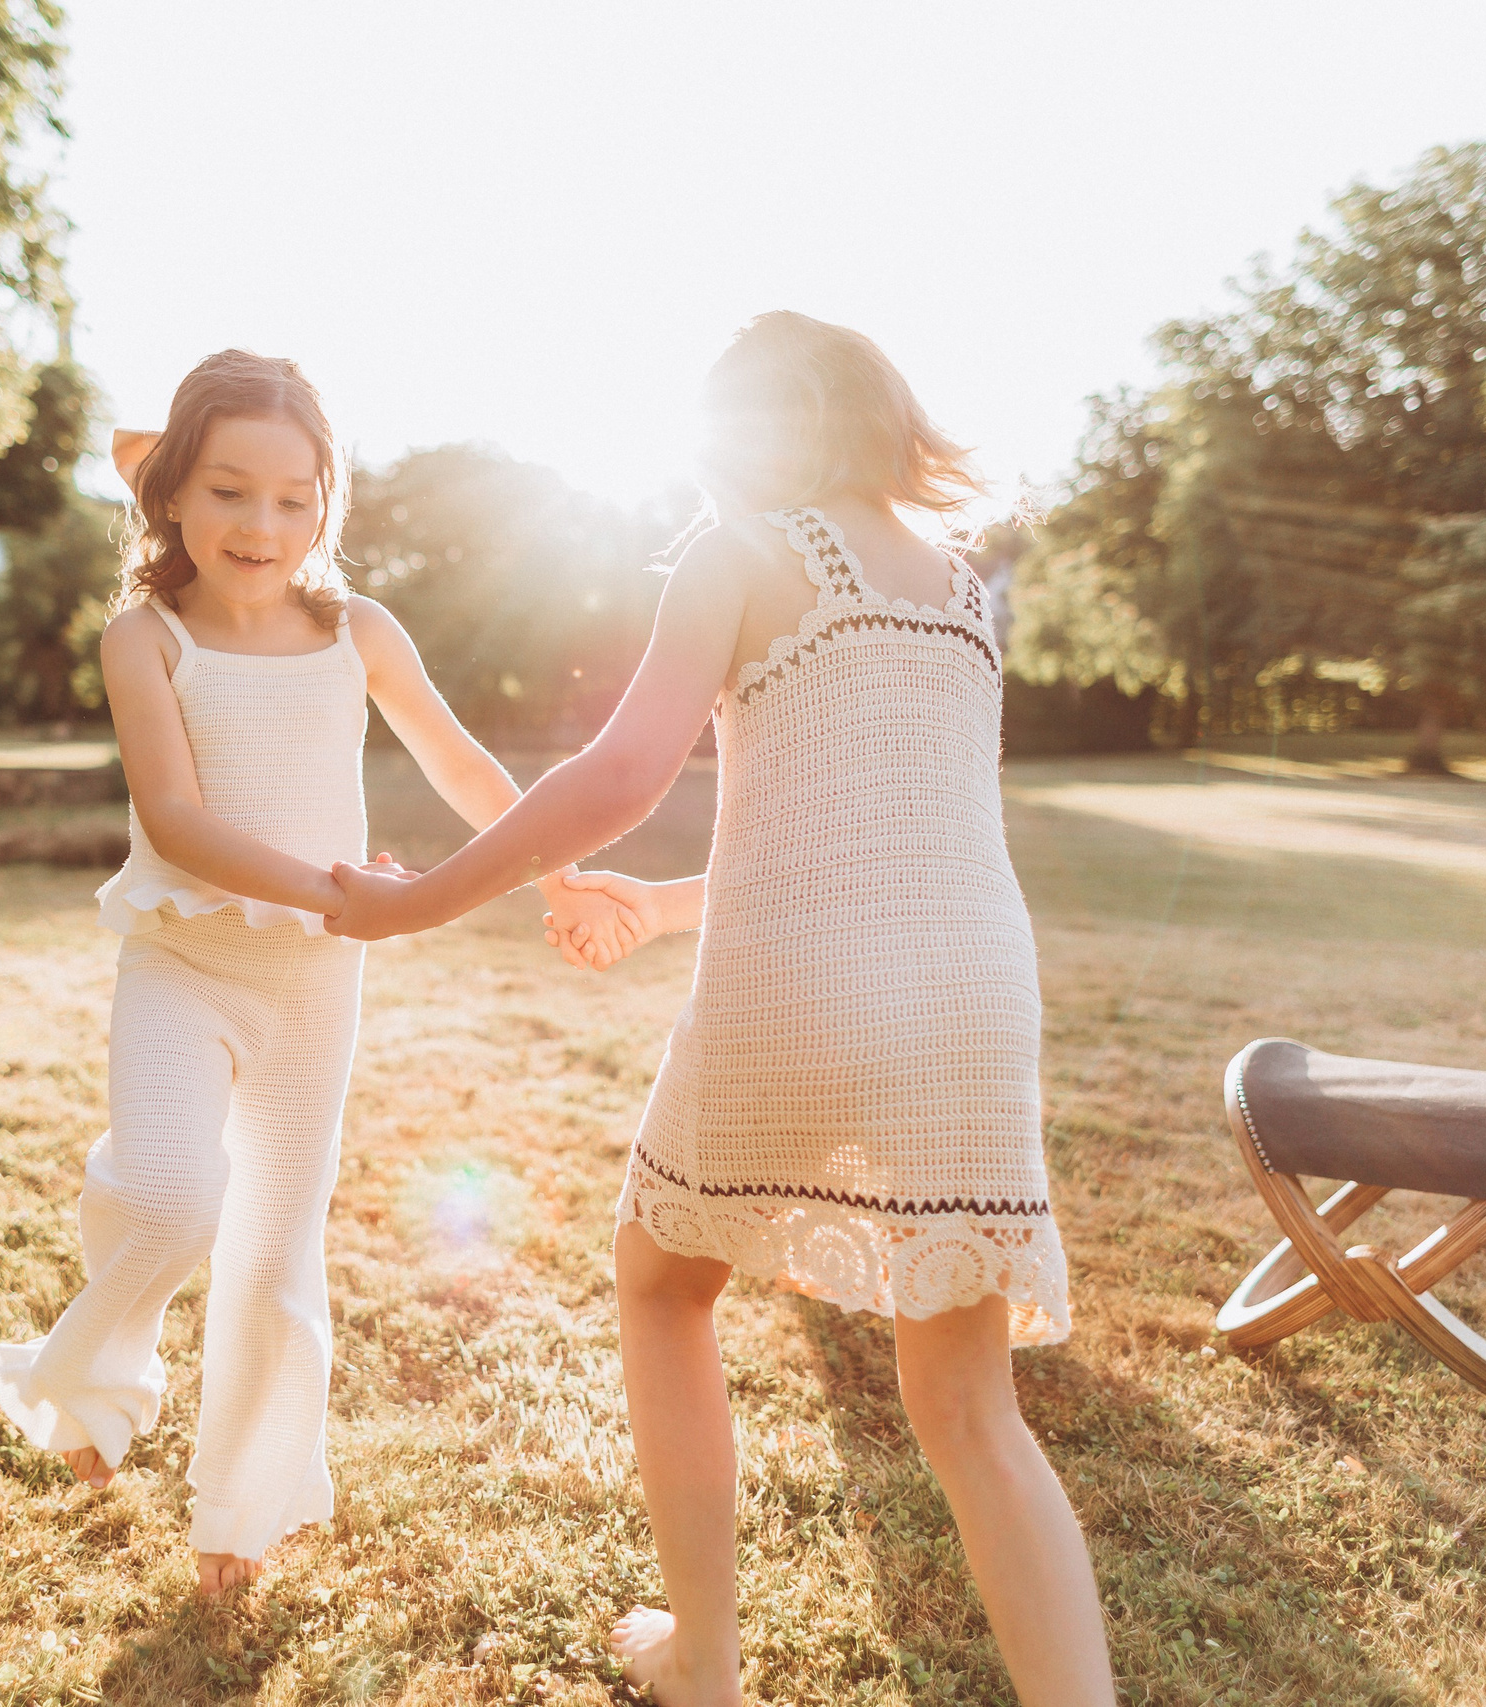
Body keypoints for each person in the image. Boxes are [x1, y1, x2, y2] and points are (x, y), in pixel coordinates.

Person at [326, 314, 1116, 1705]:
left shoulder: (740, 552)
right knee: (969, 1406)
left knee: (661, 1279)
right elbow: (887, 835)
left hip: (808, 989)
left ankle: (702, 1659)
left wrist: (423, 898)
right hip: (974, 994)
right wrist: (665, 902)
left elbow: (622, 771)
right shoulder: (957, 588)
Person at [0, 350, 641, 1597]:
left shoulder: (357, 633)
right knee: (169, 1198)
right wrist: (345, 892)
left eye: (295, 499)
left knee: (272, 1253)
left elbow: (463, 768)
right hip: (182, 962)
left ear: (326, 505)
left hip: (310, 989)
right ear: (172, 495)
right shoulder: (145, 639)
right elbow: (176, 823)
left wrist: (553, 875)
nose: (263, 525)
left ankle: (240, 1511)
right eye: (229, 492)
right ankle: (84, 1384)